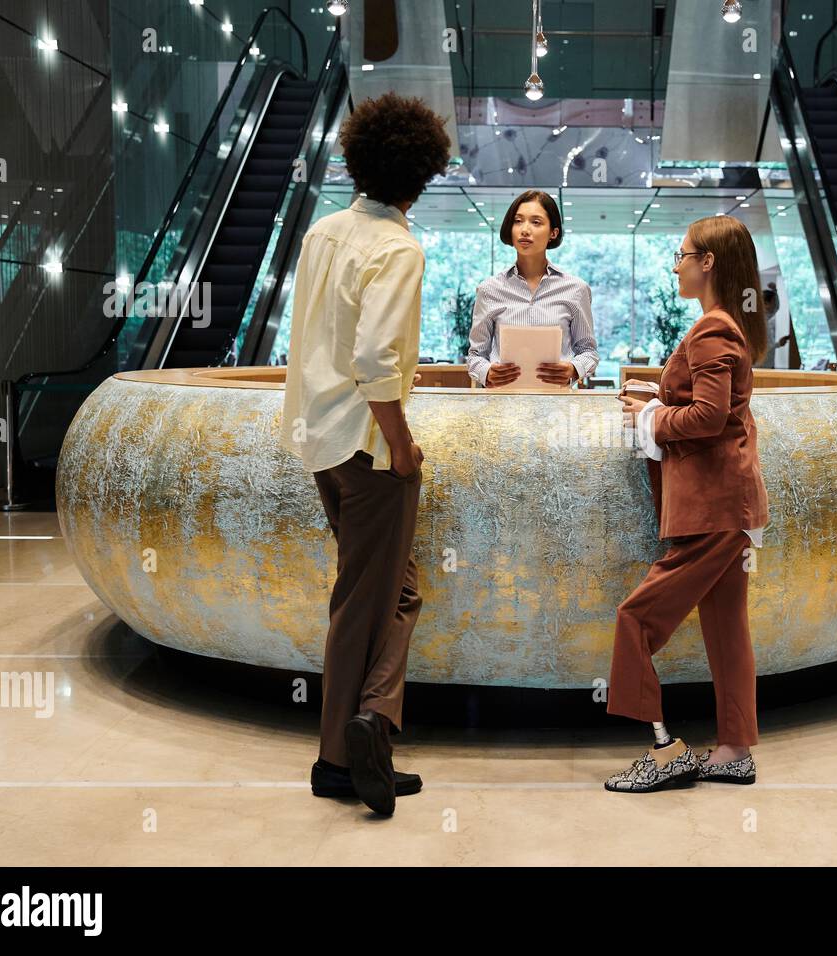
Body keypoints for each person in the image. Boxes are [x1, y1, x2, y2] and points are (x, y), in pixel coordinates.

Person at [280, 92, 450, 817]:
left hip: (320, 439)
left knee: (393, 591)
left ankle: (371, 723)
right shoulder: (399, 247)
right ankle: (339, 757)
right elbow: (379, 361)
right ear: (423, 173)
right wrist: (404, 445)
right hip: (371, 449)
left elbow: (318, 339)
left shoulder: (324, 232)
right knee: (364, 602)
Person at [605, 215, 770, 793]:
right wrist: (661, 396)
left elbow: (707, 418)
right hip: (728, 506)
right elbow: (714, 407)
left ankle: (664, 750)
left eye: (681, 254)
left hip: (711, 507)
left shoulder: (712, 330)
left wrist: (651, 415)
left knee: (636, 619)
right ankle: (733, 751)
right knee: (727, 630)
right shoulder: (726, 327)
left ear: (708, 263)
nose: (675, 264)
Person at [467, 190, 599, 388]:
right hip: (502, 405)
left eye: (536, 222)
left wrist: (573, 369)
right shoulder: (489, 290)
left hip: (557, 407)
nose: (524, 230)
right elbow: (476, 355)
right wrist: (487, 373)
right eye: (518, 221)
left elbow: (588, 351)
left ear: (553, 233)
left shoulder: (576, 289)